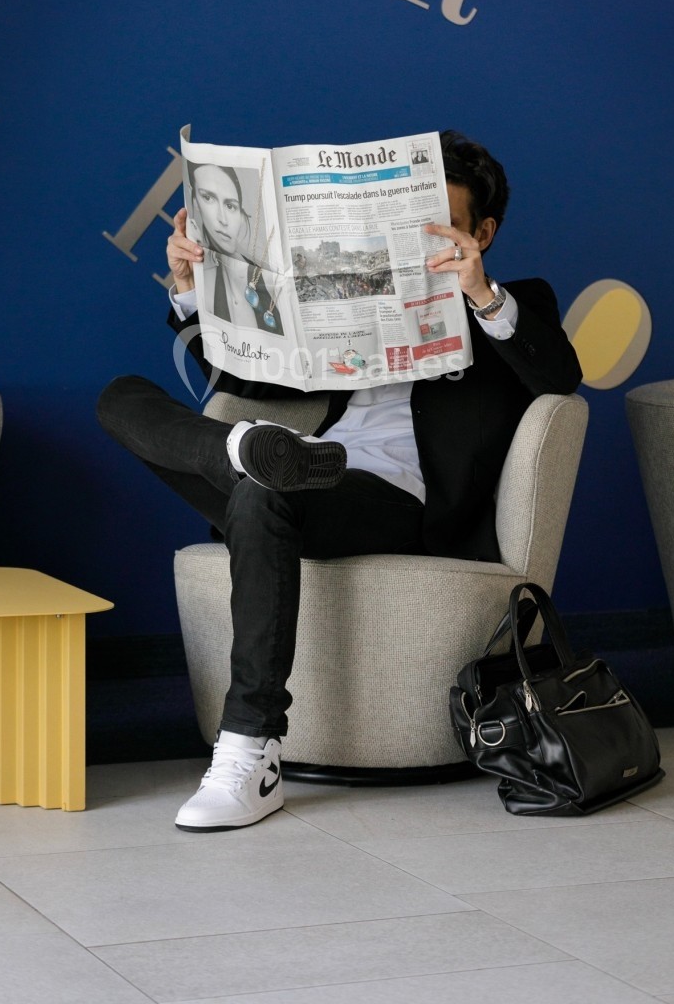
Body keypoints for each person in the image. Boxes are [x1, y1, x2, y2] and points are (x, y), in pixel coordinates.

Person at [97, 130, 582, 833]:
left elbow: (559, 378)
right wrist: (191, 287)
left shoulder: (516, 302)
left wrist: (479, 294)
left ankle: (248, 750)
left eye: (438, 226)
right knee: (121, 397)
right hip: (295, 466)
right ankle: (241, 448)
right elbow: (238, 370)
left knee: (266, 491)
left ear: (481, 231)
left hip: (392, 497)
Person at [185, 161, 284, 335]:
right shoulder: (201, 272)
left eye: (231, 206)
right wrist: (184, 281)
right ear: (195, 203)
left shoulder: (265, 274)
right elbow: (208, 357)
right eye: (208, 198)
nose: (222, 219)